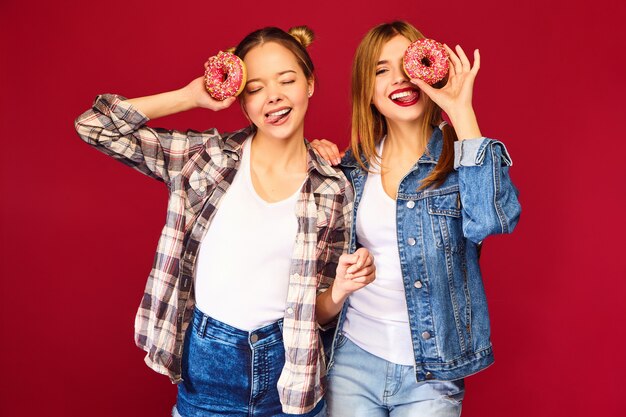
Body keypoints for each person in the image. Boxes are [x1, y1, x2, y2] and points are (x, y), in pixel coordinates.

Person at [74, 26, 375, 417]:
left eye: (287, 80)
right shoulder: (205, 158)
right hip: (209, 369)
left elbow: (315, 314)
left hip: (292, 373)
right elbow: (94, 126)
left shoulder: (333, 186)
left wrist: (340, 291)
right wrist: (191, 96)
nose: (275, 97)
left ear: (310, 83)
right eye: (255, 89)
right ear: (241, 101)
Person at [310, 21, 521, 416]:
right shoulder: (351, 168)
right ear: (367, 93)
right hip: (353, 361)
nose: (400, 79)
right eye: (381, 69)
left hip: (433, 371)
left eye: (409, 64)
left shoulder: (462, 160)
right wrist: (315, 159)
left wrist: (461, 111)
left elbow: (492, 220)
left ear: (429, 72)